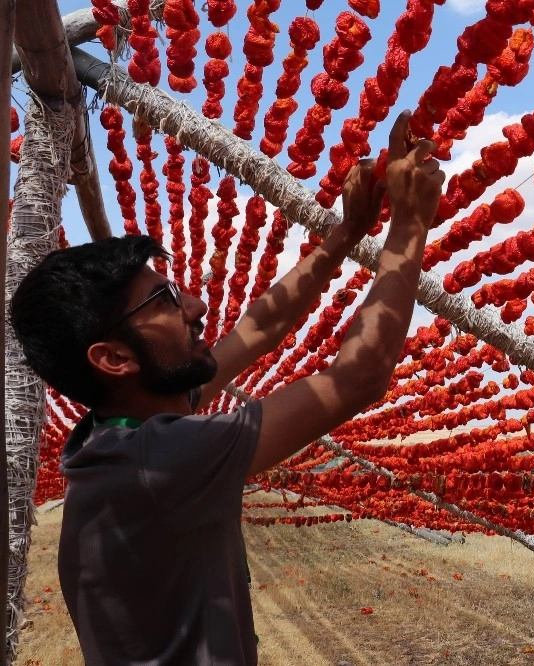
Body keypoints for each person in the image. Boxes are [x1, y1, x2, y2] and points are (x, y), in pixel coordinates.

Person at [9, 111, 445, 665]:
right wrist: (408, 224)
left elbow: (258, 329)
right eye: (164, 301)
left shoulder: (123, 430)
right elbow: (360, 375)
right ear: (114, 357)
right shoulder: (157, 459)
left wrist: (348, 234)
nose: (194, 306)